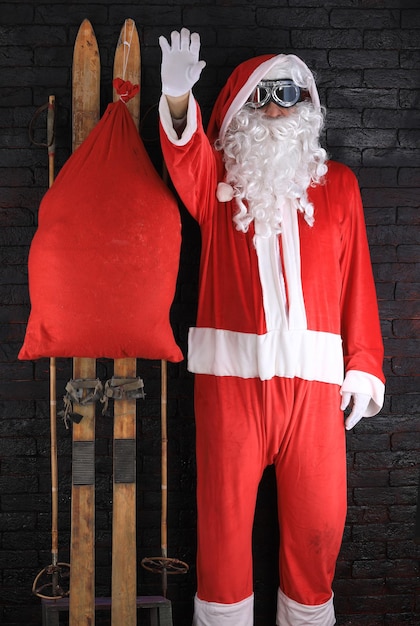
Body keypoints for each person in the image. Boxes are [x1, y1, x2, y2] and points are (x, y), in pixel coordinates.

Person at [158, 28, 385, 626]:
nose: (278, 106)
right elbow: (185, 158)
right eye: (263, 95)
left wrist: (362, 365)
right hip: (230, 385)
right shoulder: (218, 186)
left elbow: (357, 280)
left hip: (314, 389)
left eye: (290, 93)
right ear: (238, 112)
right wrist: (179, 101)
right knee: (223, 527)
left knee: (318, 525)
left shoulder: (339, 188)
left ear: (309, 106)